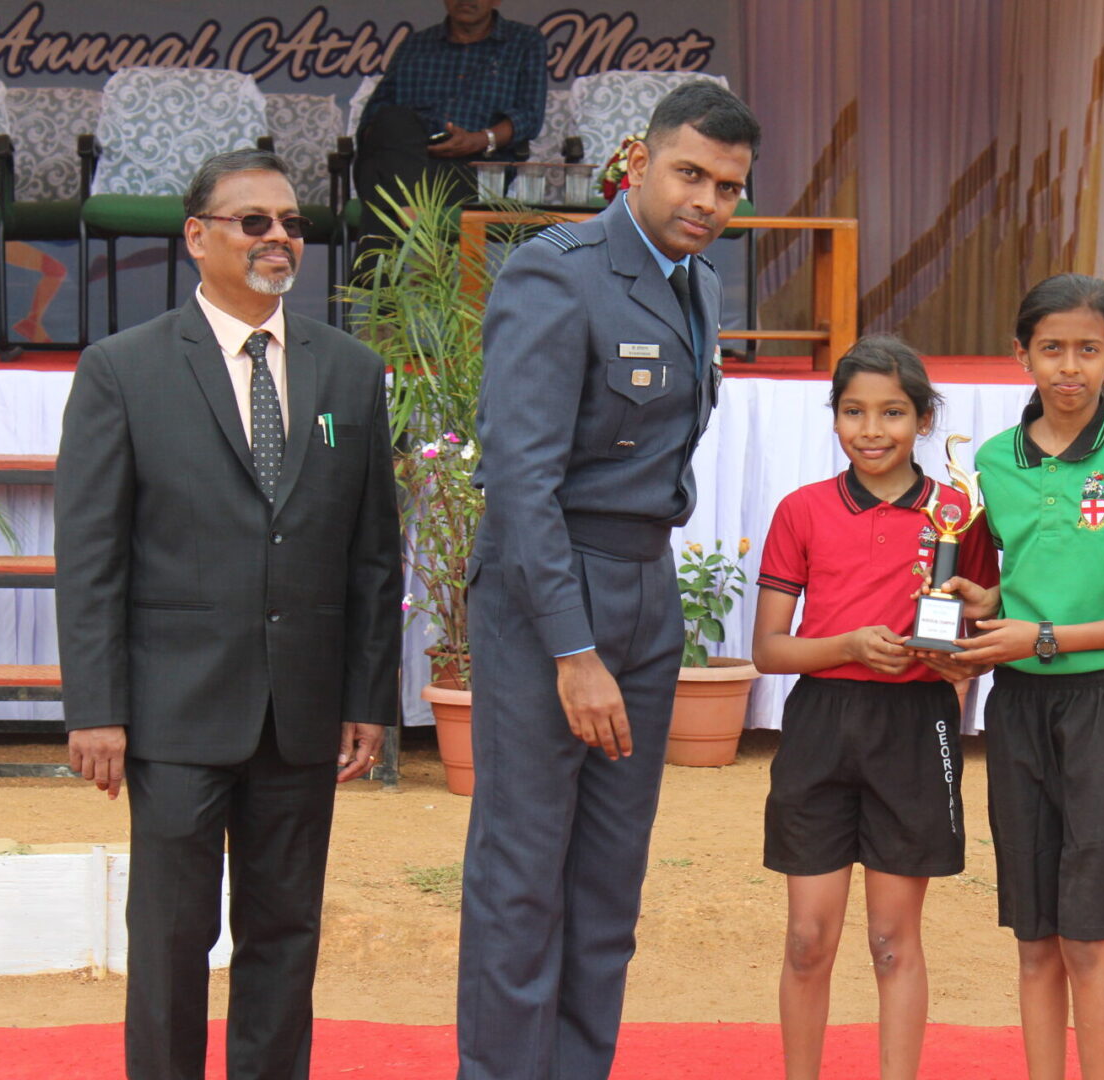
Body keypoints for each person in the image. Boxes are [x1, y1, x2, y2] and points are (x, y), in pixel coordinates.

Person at [54, 148, 402, 1080]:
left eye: (292, 222)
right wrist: (97, 708)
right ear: (197, 237)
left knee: (285, 933)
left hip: (303, 714)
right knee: (171, 938)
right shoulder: (122, 369)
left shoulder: (349, 372)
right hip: (173, 711)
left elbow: (373, 552)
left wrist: (366, 696)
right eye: (255, 221)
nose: (279, 236)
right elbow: (91, 556)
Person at [457, 81, 760, 1080]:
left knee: (608, 881)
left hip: (644, 583)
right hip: (550, 592)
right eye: (690, 173)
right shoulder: (559, 273)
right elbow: (521, 483)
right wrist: (573, 648)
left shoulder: (696, 284)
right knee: (523, 875)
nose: (707, 201)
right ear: (638, 161)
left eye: (727, 187)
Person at [925, 275, 1104, 1080]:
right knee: (1035, 939)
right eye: (1051, 349)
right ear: (1021, 354)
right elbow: (1026, 576)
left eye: (1087, 349)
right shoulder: (993, 462)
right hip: (1018, 707)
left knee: (1087, 939)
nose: (1068, 367)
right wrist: (990, 603)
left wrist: (1044, 636)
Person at [750, 336, 998, 1080]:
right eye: (853, 411)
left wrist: (956, 663)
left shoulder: (959, 513)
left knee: (893, 941)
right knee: (807, 939)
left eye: (892, 412)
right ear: (834, 418)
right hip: (820, 728)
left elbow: (979, 628)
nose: (871, 429)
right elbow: (769, 650)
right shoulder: (801, 510)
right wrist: (849, 646)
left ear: (924, 420)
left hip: (915, 730)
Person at [353, 0, 548, 256]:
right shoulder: (415, 44)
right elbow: (373, 117)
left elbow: (529, 116)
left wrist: (480, 139)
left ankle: (395, 263)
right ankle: (424, 238)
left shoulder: (524, 41)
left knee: (381, 185)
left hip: (474, 168)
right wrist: (400, 145)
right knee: (392, 120)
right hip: (411, 155)